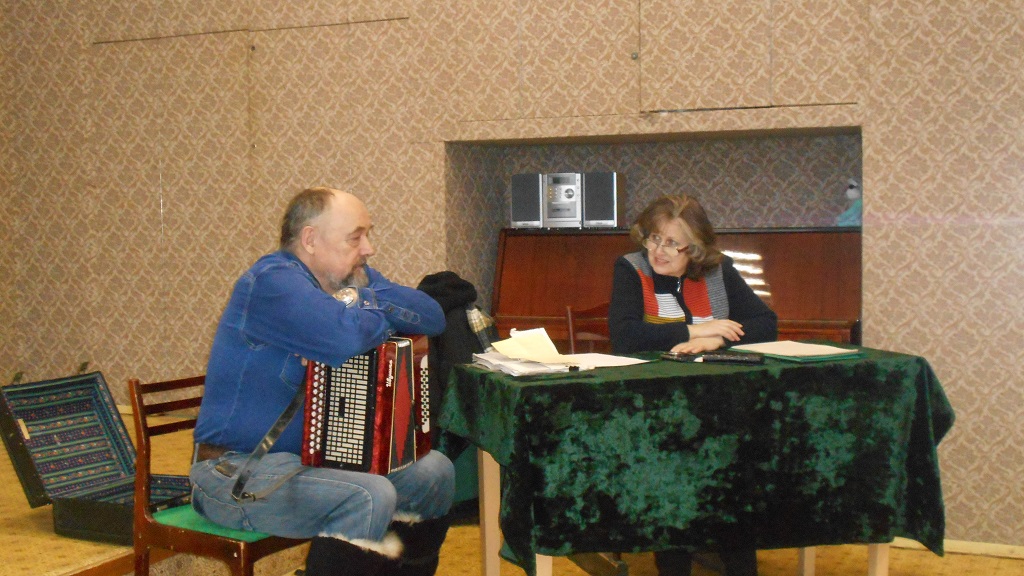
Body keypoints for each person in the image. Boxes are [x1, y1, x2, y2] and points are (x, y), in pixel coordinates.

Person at [190, 187, 455, 576]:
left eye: (367, 235)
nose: (369, 248)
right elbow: (344, 339)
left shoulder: (351, 279)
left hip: (310, 463)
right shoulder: (271, 283)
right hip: (234, 471)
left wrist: (356, 302)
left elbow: (432, 316)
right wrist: (361, 314)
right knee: (369, 494)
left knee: (435, 472)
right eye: (355, 237)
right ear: (310, 239)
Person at [608, 194, 778, 576]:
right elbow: (626, 337)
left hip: (716, 407)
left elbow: (767, 324)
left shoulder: (718, 272)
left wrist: (717, 340)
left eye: (673, 243)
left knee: (737, 466)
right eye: (654, 238)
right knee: (673, 472)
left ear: (695, 249)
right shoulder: (631, 268)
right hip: (654, 409)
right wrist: (693, 330)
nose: (659, 251)